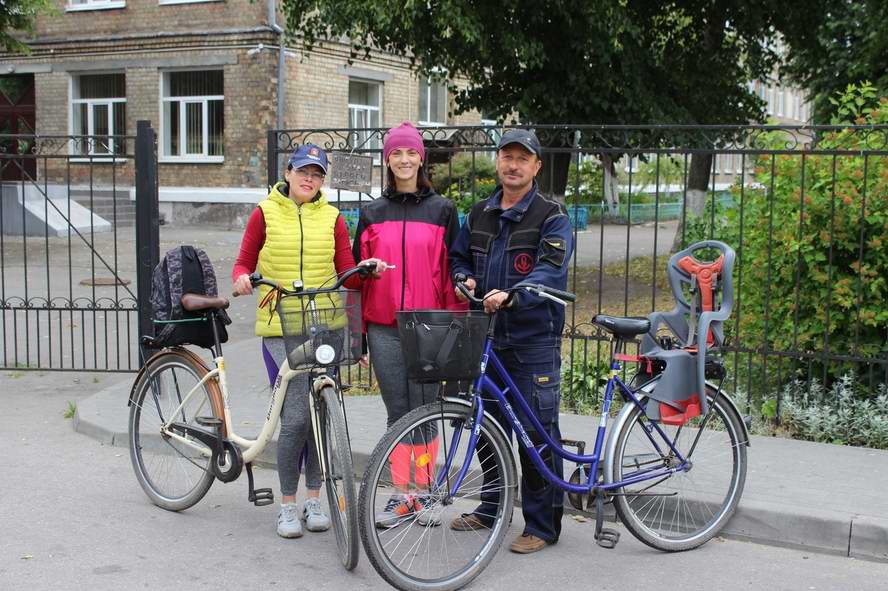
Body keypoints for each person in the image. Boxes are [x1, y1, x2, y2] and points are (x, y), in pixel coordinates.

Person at [232, 144, 381, 539]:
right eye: (304, 172)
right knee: (296, 417)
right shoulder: (265, 211)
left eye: (316, 174)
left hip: (324, 325)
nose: (309, 179)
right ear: (289, 172)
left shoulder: (332, 217)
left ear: (322, 179)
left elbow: (345, 270)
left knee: (320, 416)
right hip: (279, 326)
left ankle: (314, 497)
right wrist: (243, 278)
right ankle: (286, 504)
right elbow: (243, 261)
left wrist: (364, 271)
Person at [448, 129, 574, 554]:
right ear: (498, 162)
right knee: (487, 429)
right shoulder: (479, 212)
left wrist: (515, 294)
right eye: (507, 156)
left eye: (523, 158)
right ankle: (491, 507)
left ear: (536, 166)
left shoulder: (551, 215)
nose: (513, 165)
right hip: (487, 339)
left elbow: (550, 270)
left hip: (532, 340)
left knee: (536, 434)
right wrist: (462, 276)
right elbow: (459, 256)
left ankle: (542, 525)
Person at [351, 121, 465, 528]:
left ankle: (428, 492)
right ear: (387, 160)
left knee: (427, 409)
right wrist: (359, 334)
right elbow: (354, 276)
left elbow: (454, 270)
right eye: (395, 153)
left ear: (421, 157)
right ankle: (404, 494)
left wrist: (455, 330)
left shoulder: (444, 210)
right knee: (398, 411)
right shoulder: (371, 213)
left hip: (430, 327)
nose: (403, 159)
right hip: (383, 327)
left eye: (410, 152)